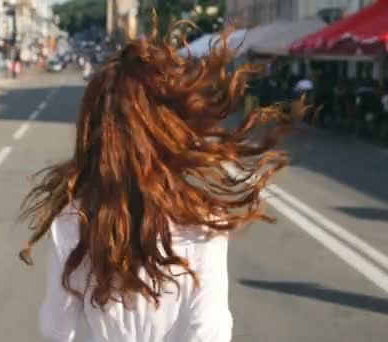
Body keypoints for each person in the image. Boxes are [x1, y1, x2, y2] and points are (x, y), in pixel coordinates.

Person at [19, 23, 303, 342]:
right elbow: (210, 331)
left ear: (94, 129)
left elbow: (56, 329)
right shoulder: (203, 218)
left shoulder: (73, 217)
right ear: (167, 126)